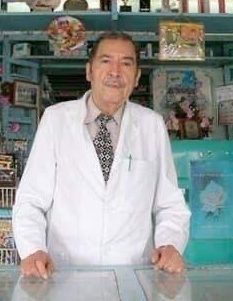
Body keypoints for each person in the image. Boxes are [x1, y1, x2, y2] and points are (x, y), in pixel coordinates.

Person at [12, 32, 191, 279]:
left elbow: (169, 204)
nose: (115, 72)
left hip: (132, 276)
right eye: (106, 61)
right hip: (64, 274)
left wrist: (170, 244)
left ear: (137, 77)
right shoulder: (55, 119)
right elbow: (31, 200)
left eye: (126, 63)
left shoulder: (151, 125)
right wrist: (32, 249)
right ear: (89, 71)